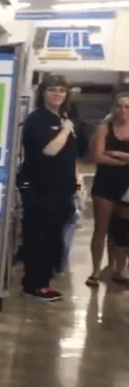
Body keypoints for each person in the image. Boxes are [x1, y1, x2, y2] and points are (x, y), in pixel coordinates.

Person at [19, 75, 78, 301]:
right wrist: (65, 131)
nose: (57, 94)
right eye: (52, 90)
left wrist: (76, 180)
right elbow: (49, 151)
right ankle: (33, 285)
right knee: (39, 237)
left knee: (53, 236)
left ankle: (43, 281)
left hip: (61, 188)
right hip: (41, 189)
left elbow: (70, 155)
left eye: (62, 90)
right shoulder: (38, 120)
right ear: (43, 92)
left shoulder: (61, 117)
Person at [86, 92, 129, 286]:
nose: (123, 111)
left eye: (127, 107)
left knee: (120, 231)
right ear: (114, 108)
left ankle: (118, 269)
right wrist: (124, 161)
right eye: (120, 106)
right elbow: (97, 157)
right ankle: (95, 270)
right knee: (101, 229)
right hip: (105, 184)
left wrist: (116, 154)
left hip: (126, 187)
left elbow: (105, 155)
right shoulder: (105, 128)